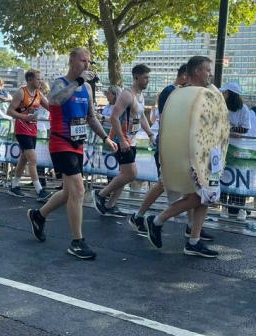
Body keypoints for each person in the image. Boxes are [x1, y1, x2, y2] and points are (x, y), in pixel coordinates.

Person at [26, 47, 117, 260]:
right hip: (60, 142)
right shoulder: (61, 83)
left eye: (89, 62)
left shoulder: (87, 89)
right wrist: (77, 83)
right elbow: (56, 100)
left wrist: (106, 138)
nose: (87, 65)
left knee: (69, 193)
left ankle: (39, 215)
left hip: (78, 144)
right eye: (83, 61)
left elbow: (91, 118)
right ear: (72, 61)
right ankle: (77, 241)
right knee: (78, 189)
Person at [144, 56, 219, 258]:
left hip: (208, 156)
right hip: (193, 156)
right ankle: (158, 220)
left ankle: (194, 241)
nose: (210, 74)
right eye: (207, 70)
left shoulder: (201, 94)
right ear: (196, 72)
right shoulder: (185, 96)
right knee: (197, 197)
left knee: (205, 198)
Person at [129, 65, 207, 240]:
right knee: (163, 184)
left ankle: (190, 226)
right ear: (185, 76)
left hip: (175, 147)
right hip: (170, 147)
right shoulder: (170, 93)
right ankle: (139, 216)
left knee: (188, 188)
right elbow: (170, 119)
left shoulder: (177, 92)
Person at [93, 64, 155, 217]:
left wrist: (150, 134)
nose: (148, 81)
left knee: (124, 174)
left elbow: (140, 118)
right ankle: (100, 194)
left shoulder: (140, 96)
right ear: (136, 78)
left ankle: (110, 205)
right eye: (145, 78)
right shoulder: (127, 95)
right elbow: (114, 117)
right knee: (131, 174)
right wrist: (121, 139)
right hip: (121, 139)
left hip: (131, 140)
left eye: (148, 77)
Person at [7, 70, 52, 201]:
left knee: (24, 158)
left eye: (41, 79)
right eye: (38, 79)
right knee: (33, 159)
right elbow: (9, 111)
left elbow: (51, 107)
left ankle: (14, 185)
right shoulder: (21, 92)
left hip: (33, 129)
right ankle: (39, 190)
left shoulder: (39, 93)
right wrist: (25, 117)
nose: (40, 81)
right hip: (21, 129)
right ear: (30, 79)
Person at [219, 82, 251, 221]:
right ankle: (223, 205)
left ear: (230, 94)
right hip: (222, 146)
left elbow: (245, 128)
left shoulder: (243, 109)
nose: (223, 94)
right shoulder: (220, 106)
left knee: (237, 177)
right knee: (223, 176)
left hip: (236, 148)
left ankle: (237, 207)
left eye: (225, 92)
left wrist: (229, 130)